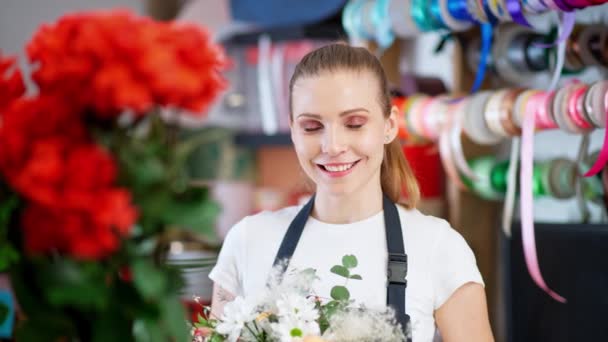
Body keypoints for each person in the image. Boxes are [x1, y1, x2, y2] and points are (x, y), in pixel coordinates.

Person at [208, 43, 494, 342]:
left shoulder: (439, 246)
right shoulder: (247, 240)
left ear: (389, 125)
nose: (332, 145)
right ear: (293, 131)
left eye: (354, 124)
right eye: (311, 126)